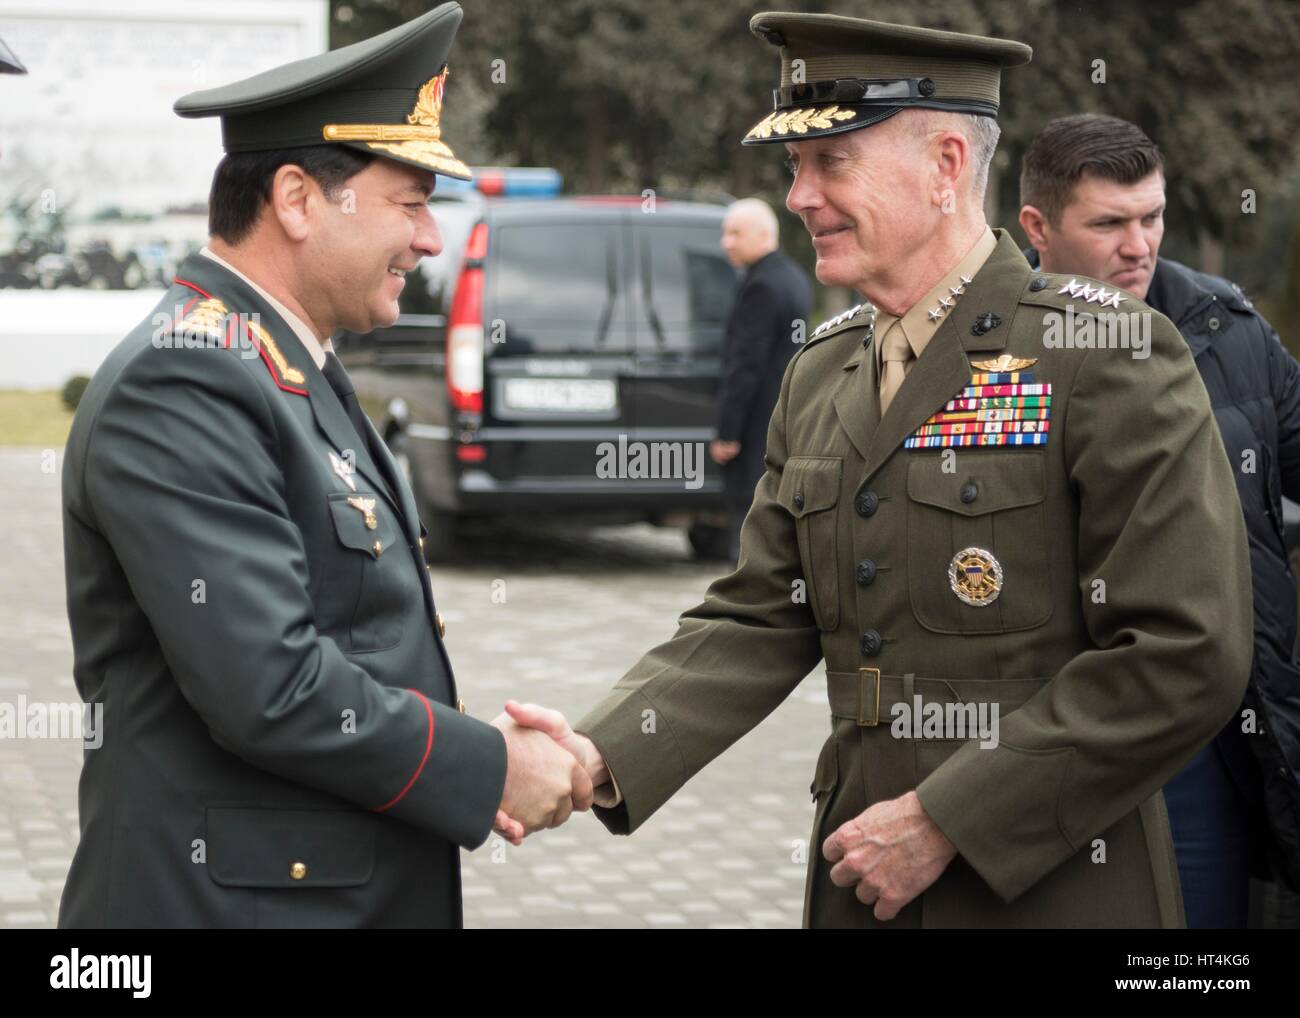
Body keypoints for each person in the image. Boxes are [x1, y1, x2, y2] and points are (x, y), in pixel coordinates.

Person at [499, 11, 1254, 928]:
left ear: (944, 167)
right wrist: (596, 752)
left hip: (1047, 891)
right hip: (861, 884)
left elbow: (1187, 653)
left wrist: (947, 819)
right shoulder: (824, 370)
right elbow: (760, 615)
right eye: (794, 168)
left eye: (831, 163)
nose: (799, 198)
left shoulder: (1106, 352)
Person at [58, 2, 590, 929]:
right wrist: (492, 764)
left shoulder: (281, 360)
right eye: (411, 204)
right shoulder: (189, 379)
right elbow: (271, 687)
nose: (428, 240)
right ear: (299, 200)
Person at [1019, 112, 1300, 927]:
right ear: (1038, 226)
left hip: (1219, 738)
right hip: (1059, 739)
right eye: (1109, 223)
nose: (1138, 244)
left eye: (1152, 216)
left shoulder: (1228, 327)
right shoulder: (990, 348)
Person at [712, 198, 812, 561]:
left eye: (736, 233)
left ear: (764, 234)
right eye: (725, 233)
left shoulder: (761, 286)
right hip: (784, 420)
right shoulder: (793, 276)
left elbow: (745, 365)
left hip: (756, 427)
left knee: (748, 523)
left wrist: (727, 432)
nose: (727, 242)